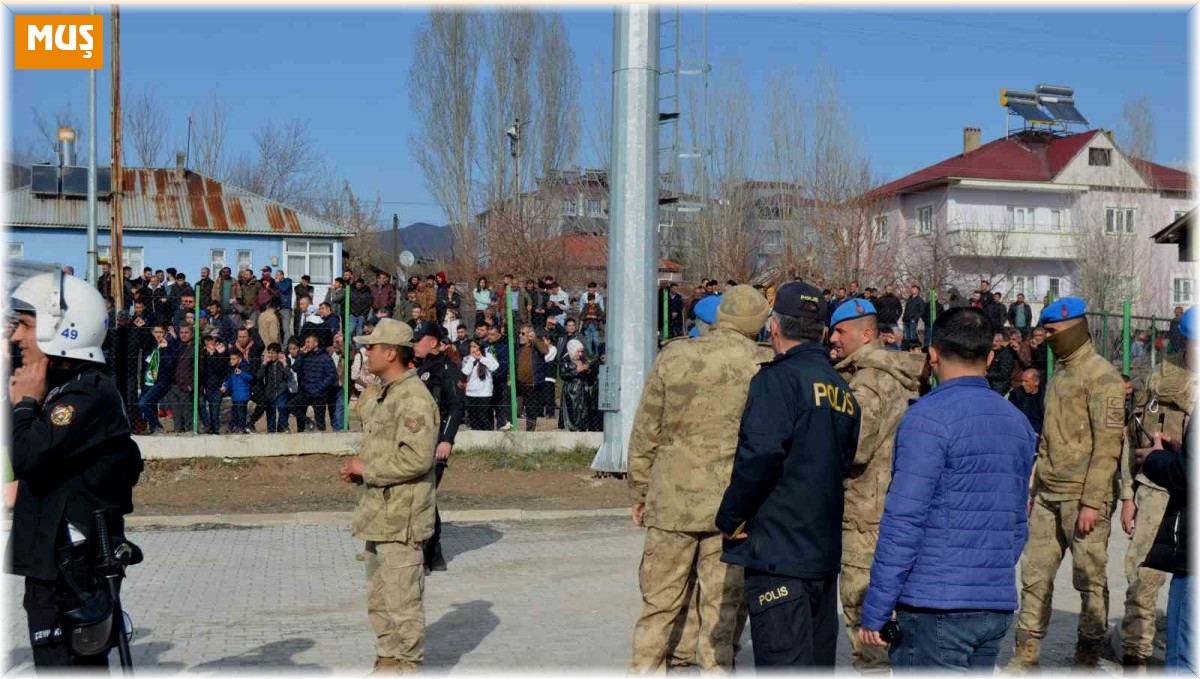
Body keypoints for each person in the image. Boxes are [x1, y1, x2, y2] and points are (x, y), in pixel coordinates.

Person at [859, 307, 1037, 670]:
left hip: (936, 607)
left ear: (932, 354)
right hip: (994, 605)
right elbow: (1018, 520)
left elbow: (904, 519)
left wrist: (877, 606)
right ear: (990, 357)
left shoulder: (926, 417)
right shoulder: (1017, 422)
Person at [628, 286, 774, 673]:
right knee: (720, 615)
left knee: (658, 607)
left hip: (671, 501)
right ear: (759, 325)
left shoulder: (675, 355)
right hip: (731, 509)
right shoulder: (765, 364)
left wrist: (640, 490)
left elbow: (646, 431)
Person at [715, 282, 861, 668]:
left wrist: (731, 517)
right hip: (822, 558)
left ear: (774, 329)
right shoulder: (842, 390)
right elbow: (842, 465)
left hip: (779, 556)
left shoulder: (776, 380)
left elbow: (760, 453)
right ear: (824, 332)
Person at [8, 272, 144, 668]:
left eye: (26, 324)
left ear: (61, 330)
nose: (16, 336)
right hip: (56, 569)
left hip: (72, 573)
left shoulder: (85, 394)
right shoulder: (60, 389)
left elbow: (28, 456)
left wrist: (23, 406)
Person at [1008, 297, 1126, 669]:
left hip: (1082, 499)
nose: (1047, 338)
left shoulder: (1102, 377)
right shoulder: (1060, 373)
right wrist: (1034, 487)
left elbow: (1108, 446)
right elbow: (1049, 439)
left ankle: (1087, 657)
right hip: (1048, 495)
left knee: (1089, 579)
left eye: (1053, 332)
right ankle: (1026, 655)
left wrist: (1092, 503)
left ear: (1074, 328)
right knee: (1034, 575)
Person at [338, 319, 438, 673]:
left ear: (391, 353)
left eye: (372, 347)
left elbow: (416, 457)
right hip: (379, 516)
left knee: (403, 605)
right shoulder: (387, 392)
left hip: (401, 519)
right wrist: (359, 469)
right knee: (380, 603)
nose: (366, 352)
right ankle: (387, 664)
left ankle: (407, 668)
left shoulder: (413, 397)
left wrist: (367, 469)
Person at [828, 297, 922, 672]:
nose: (833, 338)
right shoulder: (892, 373)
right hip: (889, 508)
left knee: (863, 614)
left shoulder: (867, 382)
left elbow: (853, 449)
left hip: (865, 516)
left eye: (840, 331)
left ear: (866, 334)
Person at [1117, 308, 1194, 667]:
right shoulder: (1162, 376)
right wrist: (1128, 494)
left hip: (1187, 496)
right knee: (1142, 578)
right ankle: (1136, 658)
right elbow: (1135, 437)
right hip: (1157, 489)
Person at [413, 326, 464, 574]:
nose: (415, 344)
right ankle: (432, 552)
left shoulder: (448, 370)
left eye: (419, 340)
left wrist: (447, 440)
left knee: (425, 494)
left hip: (437, 443)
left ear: (432, 342)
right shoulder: (421, 368)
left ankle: (428, 551)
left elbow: (456, 408)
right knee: (423, 494)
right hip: (418, 442)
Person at [1008, 368, 1045, 436]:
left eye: (1026, 381)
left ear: (1036, 382)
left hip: (1040, 431)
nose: (1023, 384)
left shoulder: (1045, 395)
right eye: (1022, 381)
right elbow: (1012, 416)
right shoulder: (1016, 394)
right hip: (1022, 430)